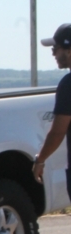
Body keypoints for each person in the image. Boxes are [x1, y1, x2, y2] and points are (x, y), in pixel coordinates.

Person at [33, 24, 71, 192]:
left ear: (69, 50)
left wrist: (40, 160)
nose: (53, 53)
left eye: (56, 48)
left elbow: (57, 132)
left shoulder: (68, 85)